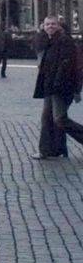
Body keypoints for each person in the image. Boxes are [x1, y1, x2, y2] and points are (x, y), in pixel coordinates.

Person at [32, 17, 83, 160]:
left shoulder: (64, 41)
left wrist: (60, 84)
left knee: (59, 119)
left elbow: (65, 65)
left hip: (60, 87)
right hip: (50, 85)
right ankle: (50, 150)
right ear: (43, 26)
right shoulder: (50, 41)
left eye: (53, 24)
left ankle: (52, 149)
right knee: (47, 118)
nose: (50, 26)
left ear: (58, 25)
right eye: (47, 24)